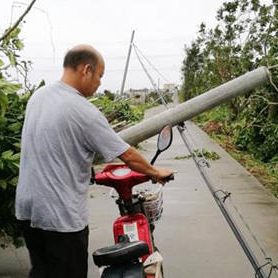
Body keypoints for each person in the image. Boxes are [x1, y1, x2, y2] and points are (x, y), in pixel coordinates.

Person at [15, 44, 173, 278]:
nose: (99, 83)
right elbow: (127, 154)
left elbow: (55, 145)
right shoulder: (83, 111)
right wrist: (154, 172)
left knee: (42, 271)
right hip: (60, 216)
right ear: (86, 70)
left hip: (28, 209)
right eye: (99, 76)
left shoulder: (39, 97)